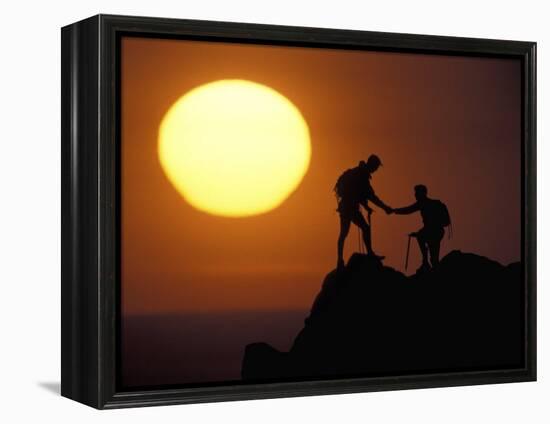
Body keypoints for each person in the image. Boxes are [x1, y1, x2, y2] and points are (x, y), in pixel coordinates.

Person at [334, 154, 392, 269]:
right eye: (376, 167)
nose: (376, 170)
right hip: (350, 208)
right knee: (363, 228)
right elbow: (370, 196)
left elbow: (360, 194)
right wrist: (385, 207)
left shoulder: (359, 173)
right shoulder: (362, 175)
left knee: (344, 233)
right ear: (372, 165)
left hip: (346, 207)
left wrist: (366, 207)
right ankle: (369, 253)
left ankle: (340, 259)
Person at [391, 185, 451, 273]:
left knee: (425, 243)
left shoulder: (424, 203)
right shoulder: (429, 203)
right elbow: (410, 210)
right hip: (437, 232)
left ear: (421, 194)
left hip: (434, 232)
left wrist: (393, 211)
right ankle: (426, 263)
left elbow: (408, 210)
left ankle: (426, 263)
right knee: (433, 256)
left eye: (416, 193)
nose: (415, 195)